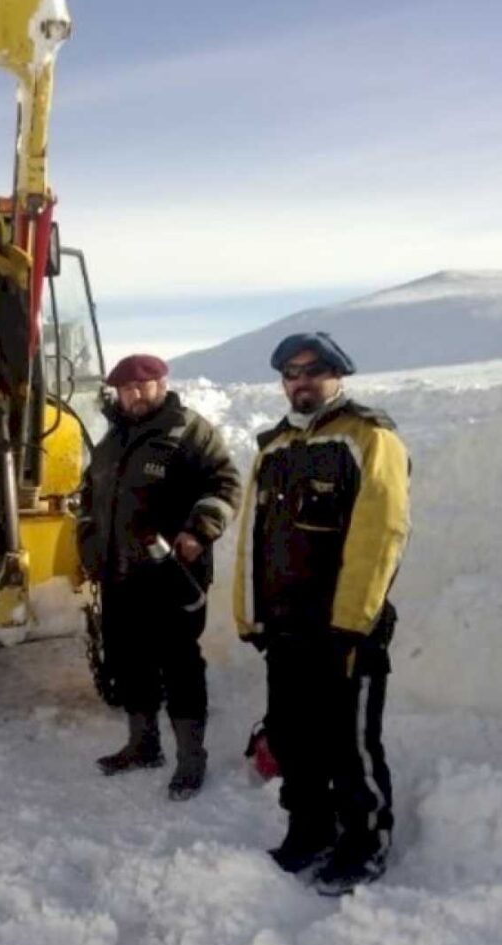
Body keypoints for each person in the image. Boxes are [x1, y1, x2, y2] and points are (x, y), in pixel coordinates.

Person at [234, 332, 410, 894]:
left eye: (313, 370)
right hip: (286, 628)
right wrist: (250, 616)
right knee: (292, 737)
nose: (300, 381)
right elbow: (251, 540)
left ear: (339, 374)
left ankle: (364, 842)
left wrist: (351, 624)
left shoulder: (368, 438)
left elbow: (380, 534)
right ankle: (308, 831)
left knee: (347, 743)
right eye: (290, 372)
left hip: (343, 630)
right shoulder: (275, 447)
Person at [78, 354, 242, 799]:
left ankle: (191, 759)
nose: (134, 394)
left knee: (180, 664)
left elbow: (225, 484)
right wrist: (88, 544)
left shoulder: (187, 429)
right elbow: (88, 497)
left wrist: (197, 531)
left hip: (171, 574)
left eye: (142, 385)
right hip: (119, 575)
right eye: (125, 388)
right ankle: (143, 744)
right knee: (130, 660)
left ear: (162, 383)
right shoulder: (113, 439)